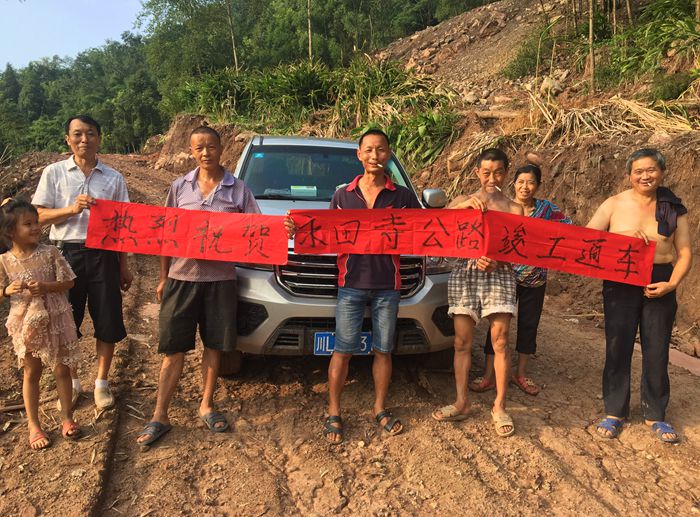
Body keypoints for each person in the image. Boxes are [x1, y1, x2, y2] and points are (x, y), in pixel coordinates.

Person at [286, 129, 421, 444]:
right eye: (369, 150)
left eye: (381, 149)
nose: (375, 156)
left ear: (389, 154)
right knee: (343, 350)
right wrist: (296, 228)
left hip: (388, 286)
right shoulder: (342, 196)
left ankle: (380, 408)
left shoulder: (402, 197)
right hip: (351, 285)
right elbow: (322, 232)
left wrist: (466, 207)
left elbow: (427, 229)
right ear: (359, 155)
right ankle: (334, 412)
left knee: (383, 350)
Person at [137, 126, 260, 446]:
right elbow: (165, 234)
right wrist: (164, 276)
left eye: (211, 146)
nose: (206, 153)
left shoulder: (239, 190)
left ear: (222, 149)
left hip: (221, 281)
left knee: (214, 346)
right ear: (191, 151)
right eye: (199, 148)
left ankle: (206, 404)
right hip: (182, 279)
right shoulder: (179, 187)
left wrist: (282, 229)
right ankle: (160, 414)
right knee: (172, 348)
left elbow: (257, 230)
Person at [587, 148, 691, 443]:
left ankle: (655, 414)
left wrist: (671, 283)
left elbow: (684, 252)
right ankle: (614, 411)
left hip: (660, 281)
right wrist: (622, 239)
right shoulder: (614, 204)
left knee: (657, 348)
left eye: (651, 170)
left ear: (662, 172)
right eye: (639, 171)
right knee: (617, 344)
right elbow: (588, 239)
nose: (645, 176)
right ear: (629, 175)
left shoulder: (673, 208)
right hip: (620, 279)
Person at [32, 115, 132, 411]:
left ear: (99, 138)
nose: (84, 139)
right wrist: (71, 209)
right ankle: (73, 380)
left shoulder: (114, 178)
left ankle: (101, 382)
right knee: (66, 321)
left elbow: (124, 225)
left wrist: (123, 266)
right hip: (65, 256)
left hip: (104, 255)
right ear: (68, 139)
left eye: (90, 133)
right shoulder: (54, 173)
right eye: (77, 134)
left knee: (108, 319)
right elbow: (38, 216)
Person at [432, 148, 523, 438]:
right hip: (465, 273)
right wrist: (461, 208)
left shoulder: (514, 209)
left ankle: (499, 406)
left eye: (498, 173)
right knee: (461, 342)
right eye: (486, 172)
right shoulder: (462, 201)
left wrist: (499, 260)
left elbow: (519, 249)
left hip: (500, 275)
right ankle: (461, 402)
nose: (492, 178)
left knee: (501, 341)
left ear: (506, 174)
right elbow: (436, 226)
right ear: (477, 173)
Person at [472, 161, 571, 396]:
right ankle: (488, 375)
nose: (525, 187)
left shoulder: (547, 210)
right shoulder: (503, 206)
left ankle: (521, 373)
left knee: (529, 324)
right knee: (497, 328)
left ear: (538, 185)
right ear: (513, 184)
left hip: (536, 279)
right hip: (504, 276)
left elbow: (569, 231)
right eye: (521, 182)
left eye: (531, 183)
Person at [0, 199, 81, 449]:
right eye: (28, 224)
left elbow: (69, 282)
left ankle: (67, 418)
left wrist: (47, 287)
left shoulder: (50, 253)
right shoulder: (4, 261)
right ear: (10, 231)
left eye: (36, 222)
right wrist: (6, 290)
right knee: (31, 372)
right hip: (26, 322)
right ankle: (34, 425)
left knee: (62, 369)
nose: (36, 227)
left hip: (56, 318)